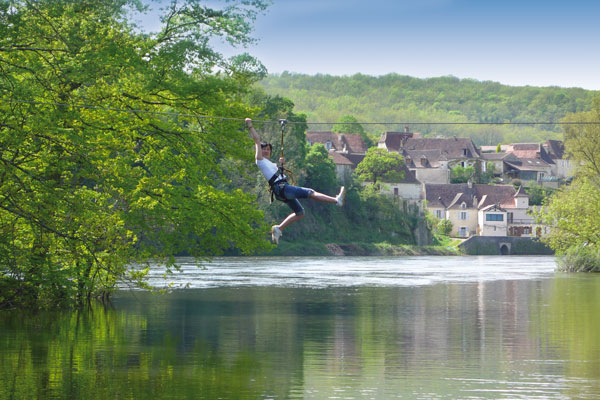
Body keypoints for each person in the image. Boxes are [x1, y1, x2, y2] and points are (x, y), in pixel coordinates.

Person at [245, 118, 345, 244]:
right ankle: (336, 200)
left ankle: (278, 228)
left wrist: (280, 167)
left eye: (268, 149)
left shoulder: (271, 164)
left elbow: (276, 176)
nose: (266, 151)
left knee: (300, 213)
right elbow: (257, 140)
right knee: (310, 192)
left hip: (281, 190)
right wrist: (250, 126)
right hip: (282, 189)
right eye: (264, 149)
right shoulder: (260, 160)